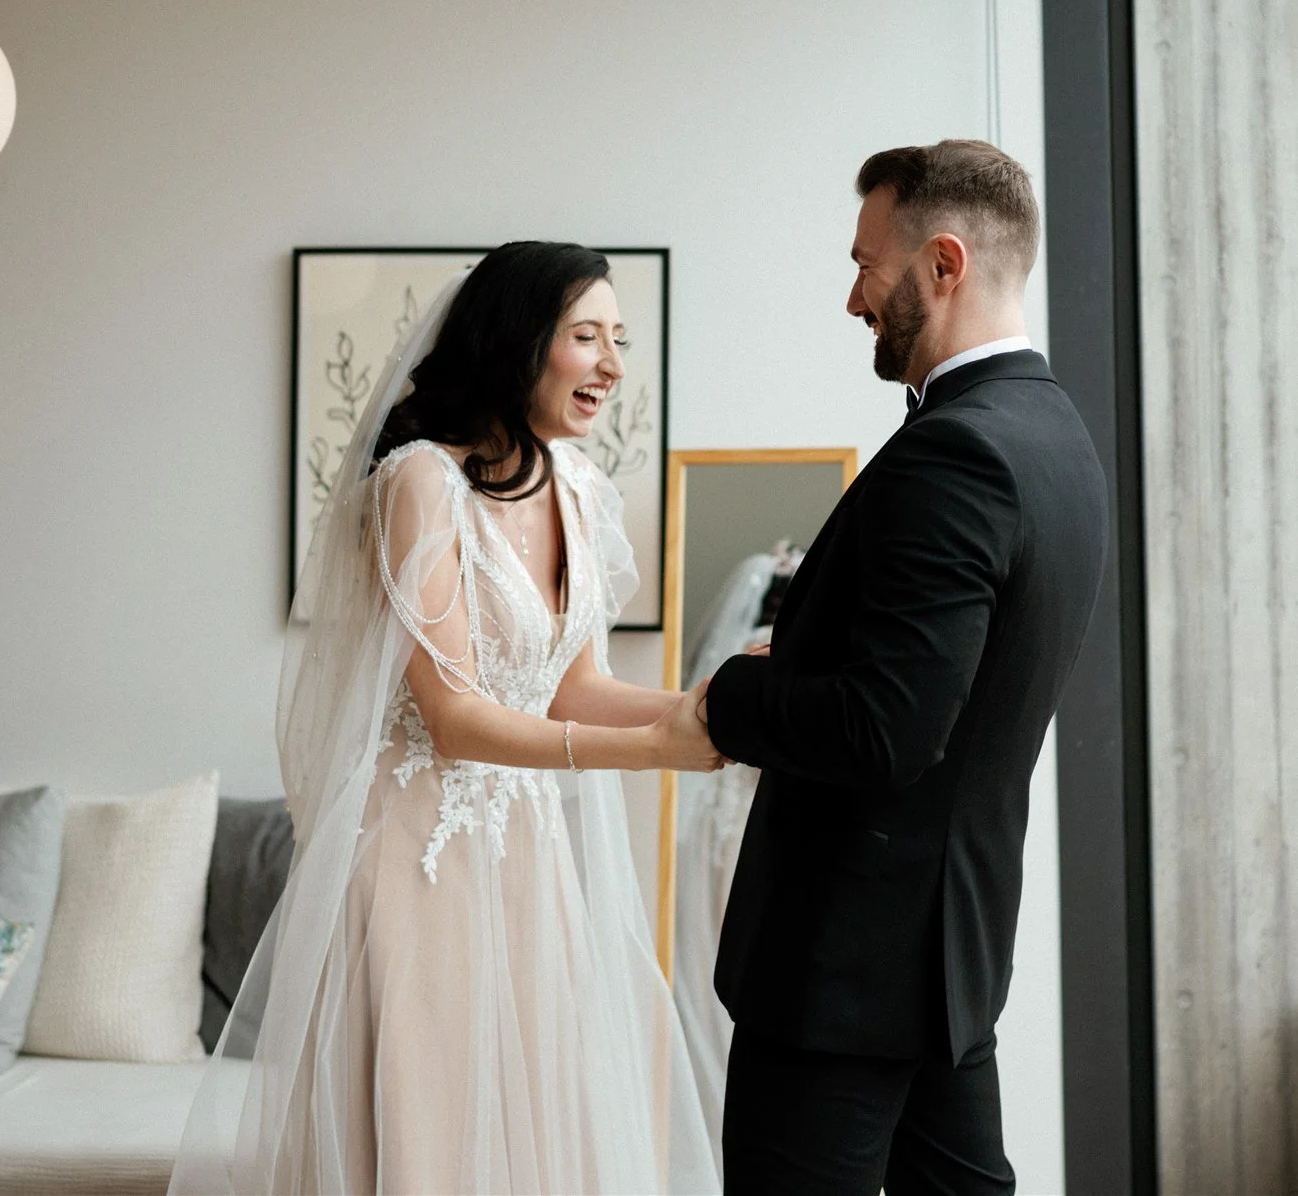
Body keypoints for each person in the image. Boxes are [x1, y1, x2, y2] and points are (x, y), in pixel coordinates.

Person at [170, 241, 721, 1195]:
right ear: (519, 342)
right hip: (421, 854)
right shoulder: (422, 481)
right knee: (431, 1135)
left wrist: (704, 709)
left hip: (529, 856)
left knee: (536, 1129)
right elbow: (456, 712)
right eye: (586, 336)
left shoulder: (583, 491)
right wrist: (651, 749)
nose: (613, 365)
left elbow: (569, 685)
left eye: (619, 339)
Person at [692, 141, 1110, 1195]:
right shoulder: (1052, 434)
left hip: (846, 972)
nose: (851, 298)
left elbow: (890, 728)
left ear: (943, 263)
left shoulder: (958, 452)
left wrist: (729, 695)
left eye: (865, 265)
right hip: (942, 960)